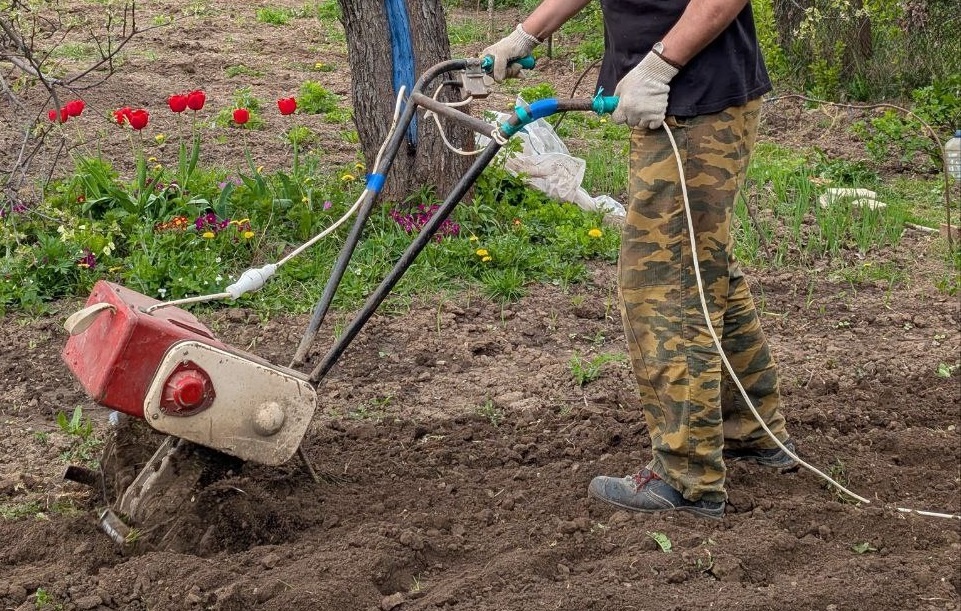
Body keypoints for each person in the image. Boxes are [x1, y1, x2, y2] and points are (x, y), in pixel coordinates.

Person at [482, 0, 797, 520]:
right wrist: (525, 36)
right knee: (702, 266)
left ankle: (688, 476)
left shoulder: (672, 77)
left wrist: (660, 65)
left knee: (665, 282)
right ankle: (752, 431)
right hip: (680, 99)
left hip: (696, 100)